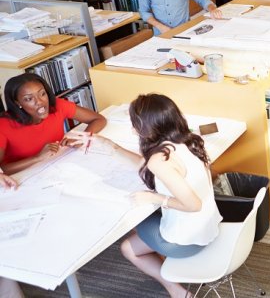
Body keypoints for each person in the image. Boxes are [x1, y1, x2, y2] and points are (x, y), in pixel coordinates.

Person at [113, 94, 222, 298]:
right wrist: (112, 148)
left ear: (147, 127)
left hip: (190, 240)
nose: (133, 129)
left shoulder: (159, 160)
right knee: (145, 223)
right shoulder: (187, 142)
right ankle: (171, 268)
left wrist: (154, 198)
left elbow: (193, 205)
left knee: (128, 247)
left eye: (135, 123)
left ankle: (176, 290)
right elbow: (148, 166)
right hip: (208, 227)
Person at [0, 73, 107, 175]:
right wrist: (38, 157)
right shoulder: (3, 126)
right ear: (17, 102)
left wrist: (81, 138)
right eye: (29, 99)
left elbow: (98, 119)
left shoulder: (57, 106)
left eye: (42, 94)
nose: (40, 102)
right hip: (21, 178)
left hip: (56, 167)